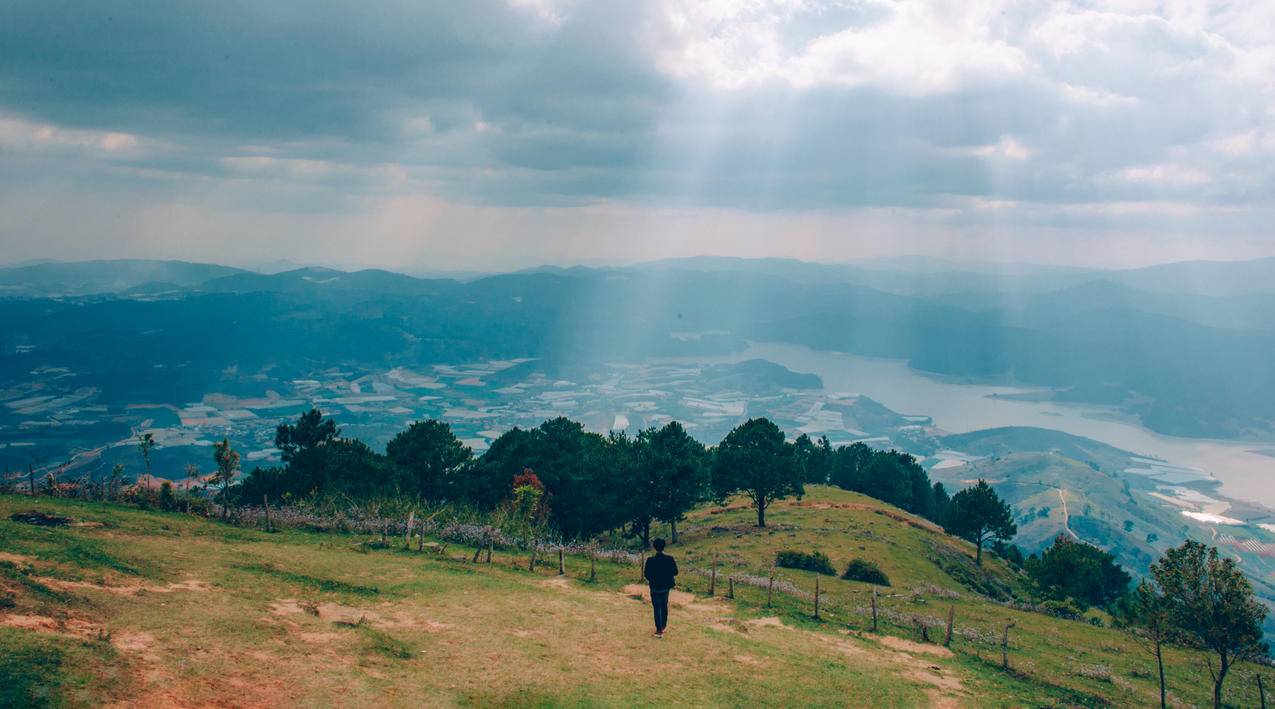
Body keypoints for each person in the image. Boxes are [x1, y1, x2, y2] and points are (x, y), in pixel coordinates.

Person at [643, 538, 678, 637]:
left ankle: (659, 629)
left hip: (654, 586)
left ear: (654, 547)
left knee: (656, 607)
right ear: (664, 546)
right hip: (666, 586)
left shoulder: (650, 560)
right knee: (664, 605)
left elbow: (646, 573)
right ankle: (663, 626)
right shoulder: (669, 559)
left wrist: (652, 579)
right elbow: (675, 572)